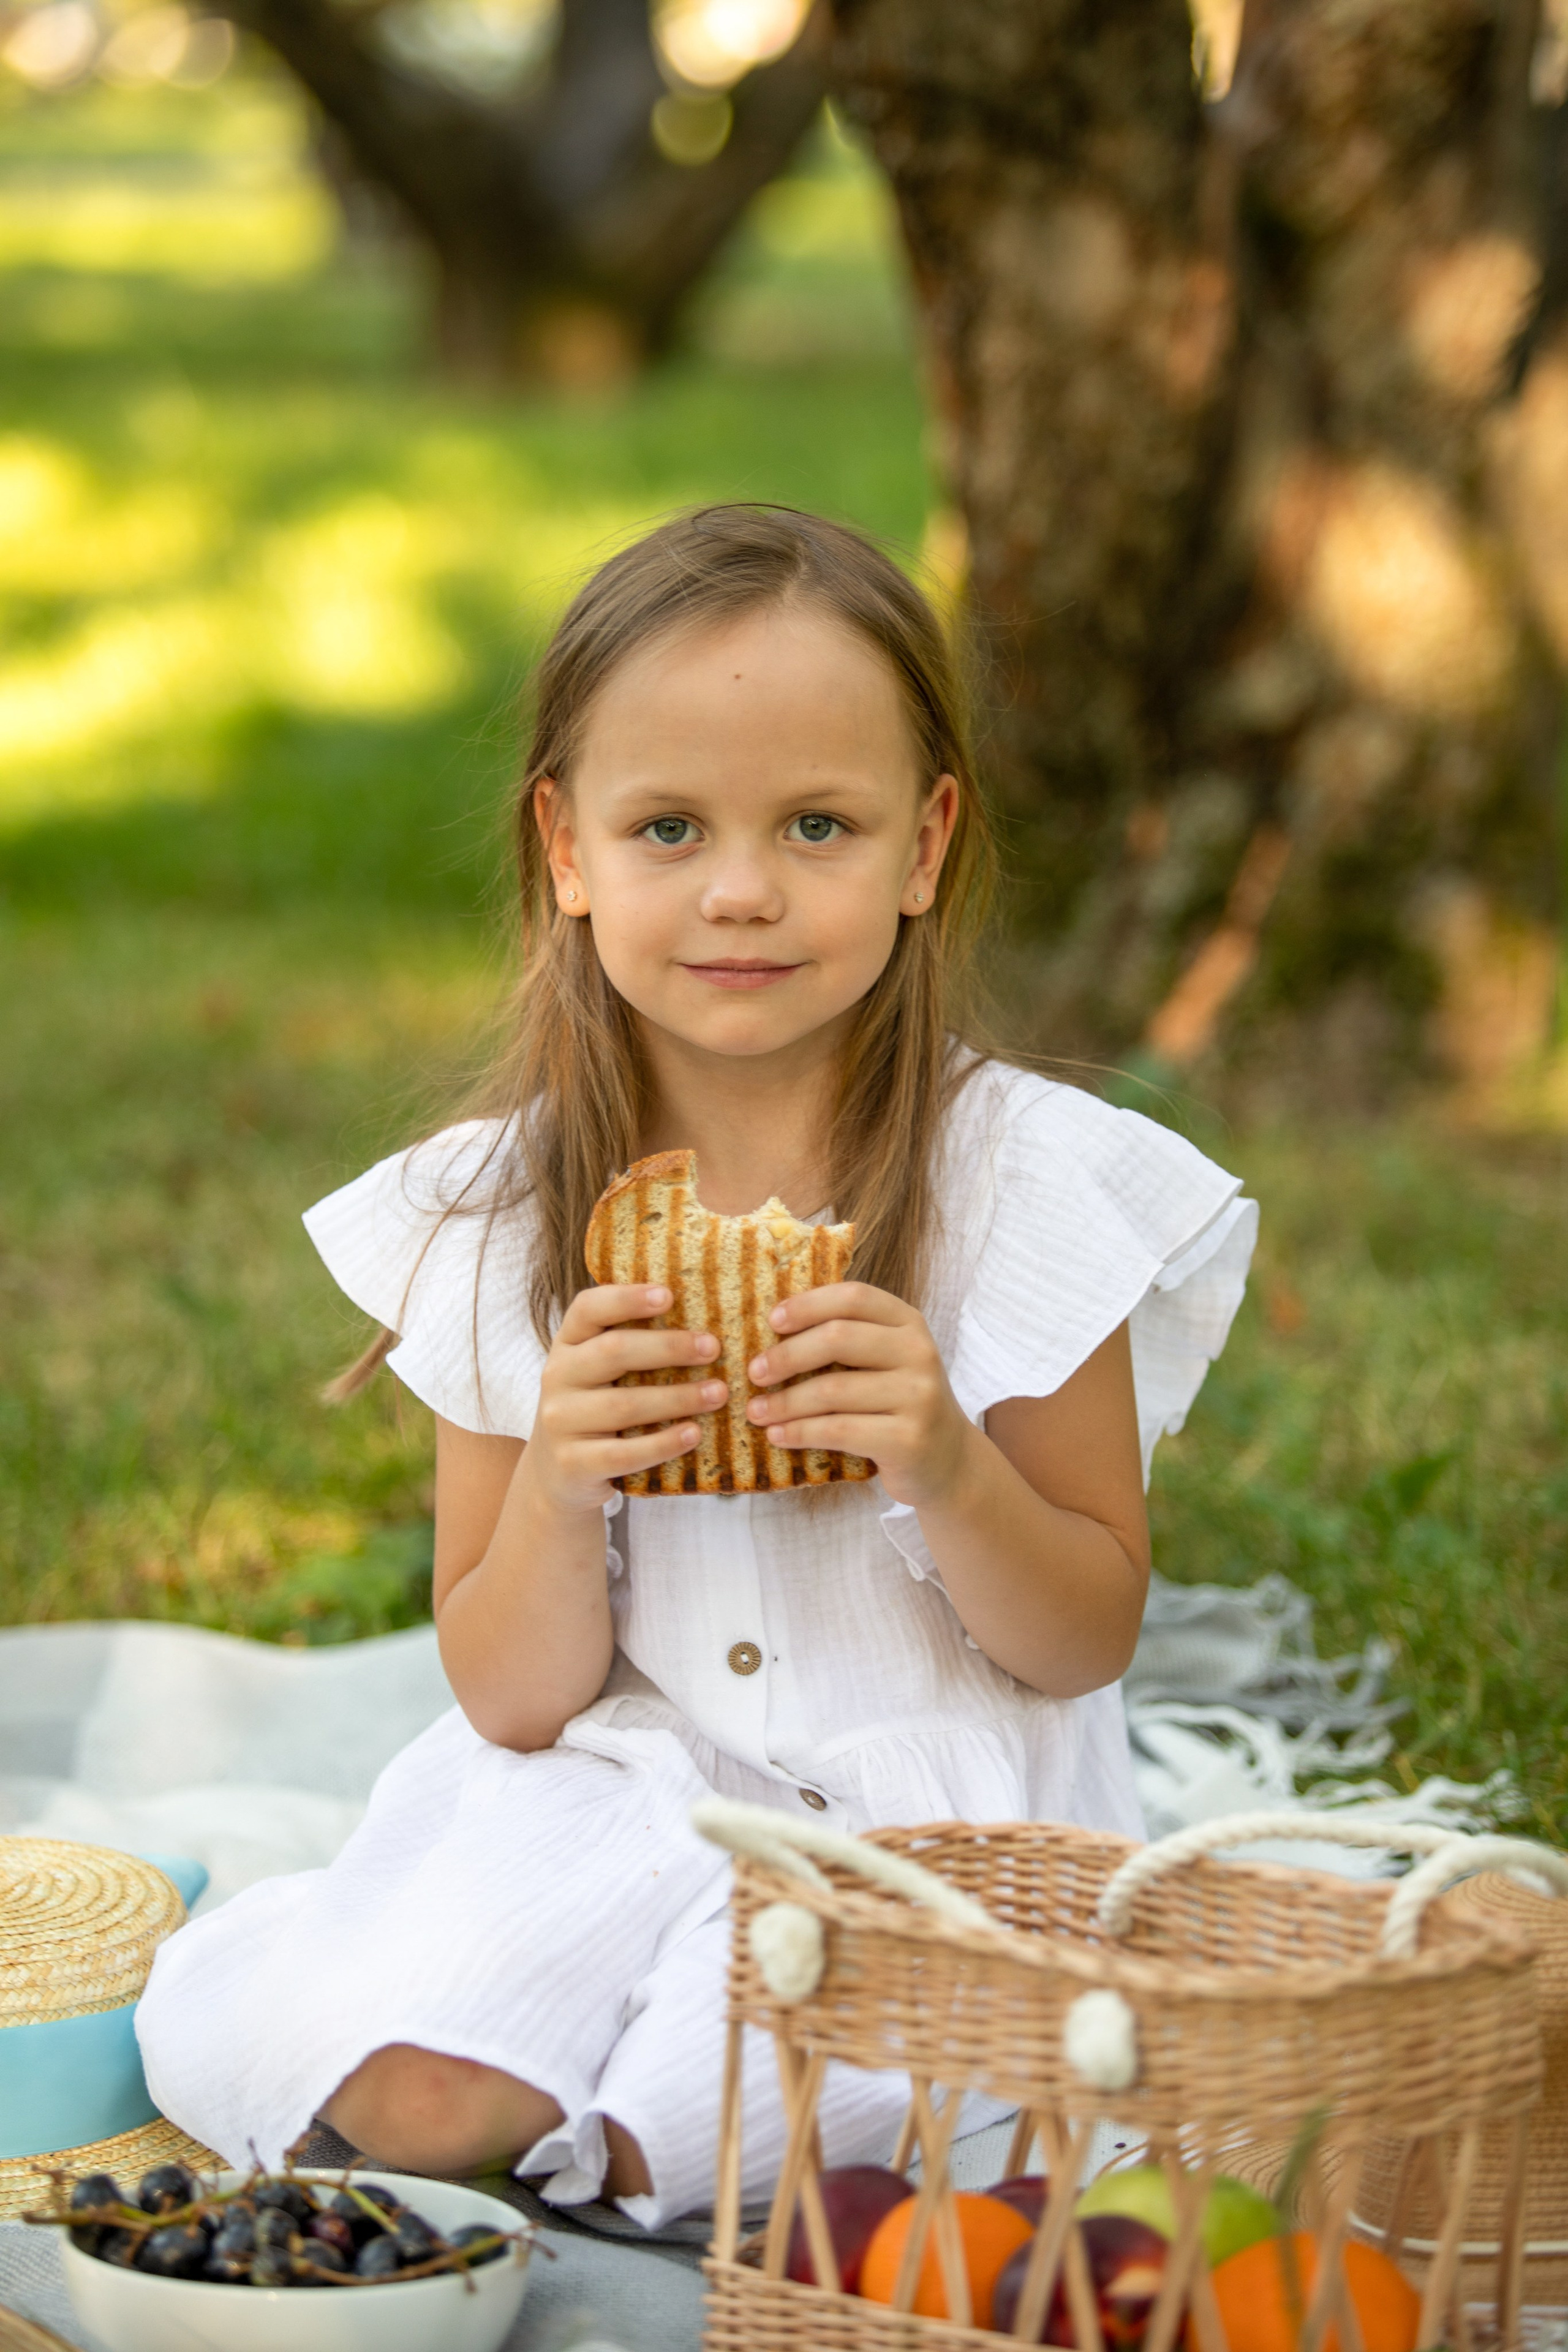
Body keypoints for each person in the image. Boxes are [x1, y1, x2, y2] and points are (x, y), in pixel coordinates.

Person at [137, 504, 1256, 2228]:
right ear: (569, 849)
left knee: (711, 2147)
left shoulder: (1028, 1186)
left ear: (926, 842)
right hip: (618, 1789)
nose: (742, 889)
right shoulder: (500, 1213)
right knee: (413, 2102)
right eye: (669, 827)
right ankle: (315, 1944)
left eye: (819, 823)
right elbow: (509, 1695)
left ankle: (656, 2077)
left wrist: (949, 1466)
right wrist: (565, 1482)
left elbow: (1084, 1630)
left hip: (928, 1831)